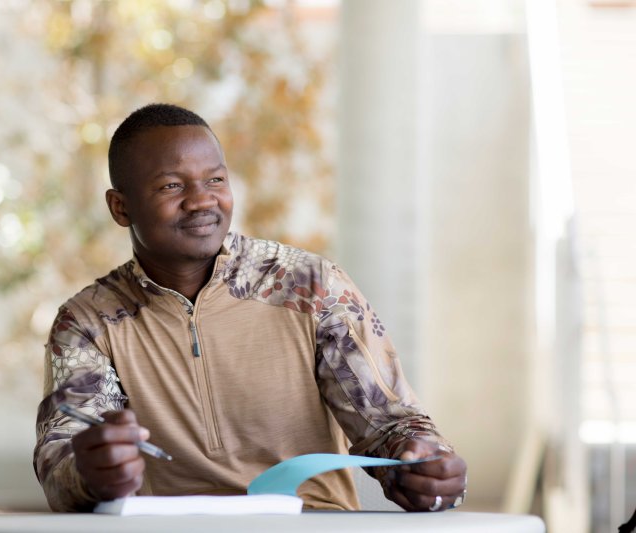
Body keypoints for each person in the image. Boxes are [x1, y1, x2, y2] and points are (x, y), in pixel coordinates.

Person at [33, 103, 467, 512]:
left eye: (215, 180)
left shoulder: (311, 287)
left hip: (312, 525)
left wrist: (427, 465)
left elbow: (393, 426)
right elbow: (62, 456)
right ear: (120, 207)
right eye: (171, 186)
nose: (202, 200)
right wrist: (89, 473)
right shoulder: (88, 322)